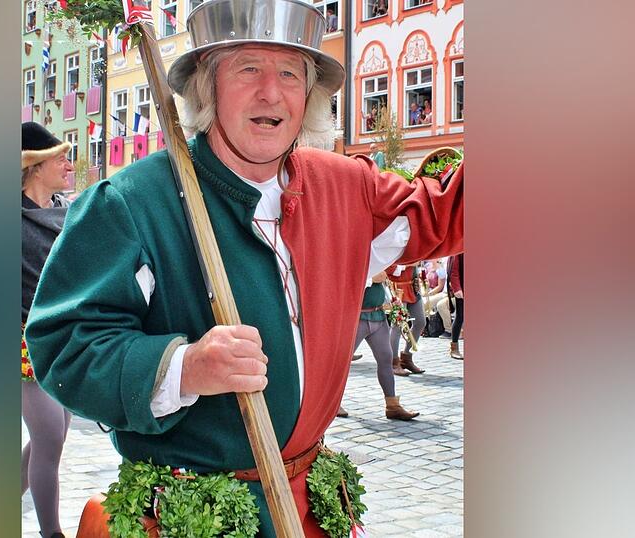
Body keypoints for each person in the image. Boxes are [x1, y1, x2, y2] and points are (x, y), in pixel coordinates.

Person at [25, 1, 463, 535]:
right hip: (189, 515)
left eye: (289, 73)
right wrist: (184, 367)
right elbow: (64, 345)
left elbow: (445, 211)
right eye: (248, 68)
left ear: (310, 95)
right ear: (209, 86)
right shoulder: (130, 203)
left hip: (307, 509)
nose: (271, 92)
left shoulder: (346, 186)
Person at [20, 121, 74, 538]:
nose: (69, 164)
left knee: (51, 436)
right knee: (50, 435)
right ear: (35, 166)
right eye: (61, 158)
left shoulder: (68, 210)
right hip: (22, 342)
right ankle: (51, 533)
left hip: (63, 338)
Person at [339, 272, 419, 420]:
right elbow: (346, 277)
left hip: (378, 316)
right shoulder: (358, 255)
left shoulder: (377, 256)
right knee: (342, 362)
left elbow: (392, 271)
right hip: (357, 317)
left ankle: (392, 405)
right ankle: (332, 403)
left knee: (386, 359)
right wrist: (370, 277)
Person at [386, 262, 426, 375]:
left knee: (420, 322)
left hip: (413, 287)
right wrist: (410, 264)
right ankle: (393, 363)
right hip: (397, 288)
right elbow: (389, 268)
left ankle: (406, 358)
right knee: (398, 325)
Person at [426, 258, 454, 337]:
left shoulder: (456, 258)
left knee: (441, 305)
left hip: (453, 293)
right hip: (445, 292)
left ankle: (449, 330)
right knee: (425, 302)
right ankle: (427, 328)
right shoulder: (444, 259)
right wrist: (438, 264)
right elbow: (442, 275)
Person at [447, 252, 464, 359]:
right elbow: (454, 271)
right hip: (463, 289)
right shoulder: (459, 248)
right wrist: (457, 288)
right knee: (460, 317)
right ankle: (454, 347)